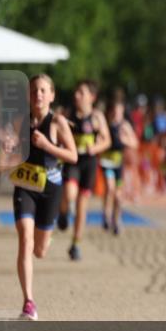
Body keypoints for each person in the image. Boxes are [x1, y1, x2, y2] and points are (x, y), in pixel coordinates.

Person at [6, 74, 77, 320]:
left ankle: (45, 240)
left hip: (51, 188)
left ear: (52, 95)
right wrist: (7, 148)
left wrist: (47, 145)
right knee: (25, 240)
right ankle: (29, 302)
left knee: (40, 251)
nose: (38, 94)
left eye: (43, 90)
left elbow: (73, 156)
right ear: (28, 94)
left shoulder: (57, 122)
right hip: (25, 186)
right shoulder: (19, 121)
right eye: (34, 90)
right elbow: (8, 159)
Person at [57, 80, 111, 261]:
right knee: (69, 194)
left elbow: (107, 141)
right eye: (76, 92)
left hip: (89, 163)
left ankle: (76, 244)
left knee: (82, 206)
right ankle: (63, 213)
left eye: (81, 93)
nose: (76, 95)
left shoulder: (97, 117)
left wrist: (95, 148)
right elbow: (57, 133)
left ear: (92, 97)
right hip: (72, 161)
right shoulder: (68, 114)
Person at [101, 95, 139, 235]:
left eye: (119, 112)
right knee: (109, 188)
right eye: (114, 112)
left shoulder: (125, 126)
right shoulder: (105, 124)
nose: (117, 115)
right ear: (110, 112)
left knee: (118, 195)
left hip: (118, 164)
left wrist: (125, 139)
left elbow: (135, 143)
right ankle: (106, 215)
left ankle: (116, 220)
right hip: (106, 162)